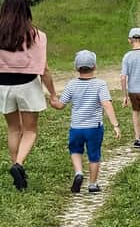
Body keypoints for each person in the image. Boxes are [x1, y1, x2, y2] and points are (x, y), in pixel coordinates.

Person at [0, 0, 57, 191]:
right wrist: (52, 93)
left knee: (13, 128)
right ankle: (19, 164)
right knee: (30, 130)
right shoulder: (36, 35)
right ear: (26, 8)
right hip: (27, 85)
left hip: (2, 85)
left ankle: (16, 166)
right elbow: (44, 69)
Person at [50, 50, 121, 193]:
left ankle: (78, 173)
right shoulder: (100, 84)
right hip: (94, 128)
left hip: (76, 127)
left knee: (75, 150)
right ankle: (93, 184)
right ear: (94, 66)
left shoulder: (72, 84)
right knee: (94, 155)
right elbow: (106, 104)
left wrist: (53, 101)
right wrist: (115, 125)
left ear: (76, 67)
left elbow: (60, 105)